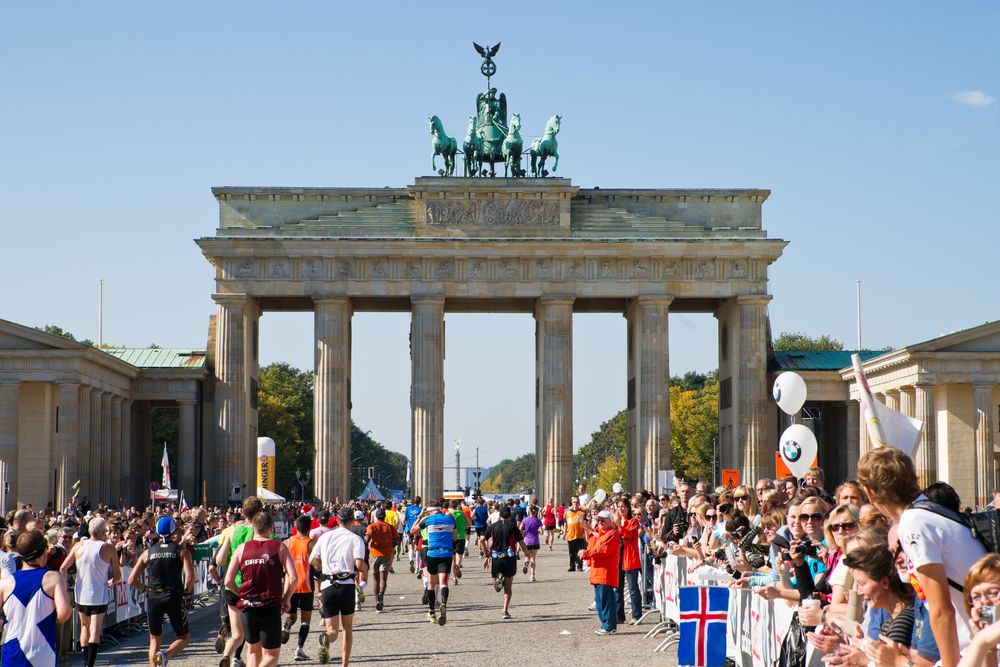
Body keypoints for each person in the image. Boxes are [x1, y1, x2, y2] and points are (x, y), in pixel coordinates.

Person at [857, 447, 986, 667]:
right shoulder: (928, 511)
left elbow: (940, 609)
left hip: (981, 646)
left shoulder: (914, 522)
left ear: (869, 492)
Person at [225, 511, 297, 667]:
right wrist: (287, 598)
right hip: (269, 605)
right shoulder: (279, 547)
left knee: (253, 652)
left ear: (253, 528)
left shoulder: (241, 549)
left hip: (248, 607)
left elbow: (228, 580)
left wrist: (241, 594)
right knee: (271, 656)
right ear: (271, 527)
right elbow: (293, 577)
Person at [128, 517, 194, 666]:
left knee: (154, 639)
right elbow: (189, 577)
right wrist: (187, 593)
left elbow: (131, 579)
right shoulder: (182, 552)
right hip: (173, 597)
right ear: (174, 532)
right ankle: (165, 654)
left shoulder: (148, 553)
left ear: (157, 532)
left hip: (154, 597)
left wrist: (145, 589)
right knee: (184, 638)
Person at [1, 531, 72, 666]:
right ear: (43, 554)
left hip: (12, 650)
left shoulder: (5, 583)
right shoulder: (53, 578)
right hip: (42, 650)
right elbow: (64, 613)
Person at [61, 517, 121, 667]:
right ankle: (90, 665)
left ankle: (85, 662)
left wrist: (62, 586)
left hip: (81, 592)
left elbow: (63, 568)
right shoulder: (108, 548)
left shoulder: (78, 546)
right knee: (95, 628)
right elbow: (117, 574)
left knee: (84, 627)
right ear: (102, 531)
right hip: (99, 593)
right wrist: (112, 582)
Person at [310, 507, 367, 666]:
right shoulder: (355, 539)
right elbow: (359, 563)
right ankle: (345, 664)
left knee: (333, 632)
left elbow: (312, 560)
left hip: (328, 586)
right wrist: (363, 569)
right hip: (346, 586)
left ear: (337, 520)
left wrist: (322, 569)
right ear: (352, 521)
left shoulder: (325, 537)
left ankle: (326, 640)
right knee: (347, 628)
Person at [216, 495, 266, 667]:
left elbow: (220, 559)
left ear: (243, 512)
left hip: (232, 586)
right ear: (260, 512)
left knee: (237, 635)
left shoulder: (233, 531)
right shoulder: (260, 532)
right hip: (252, 587)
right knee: (256, 635)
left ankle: (226, 656)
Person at [411, 500, 457, 625]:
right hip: (446, 553)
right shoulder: (450, 519)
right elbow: (455, 537)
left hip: (432, 553)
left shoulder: (428, 520)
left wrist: (421, 516)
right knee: (443, 583)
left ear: (430, 510)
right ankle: (443, 602)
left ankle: (431, 612)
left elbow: (412, 531)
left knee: (431, 584)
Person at [580, 510, 621, 635]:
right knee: (600, 602)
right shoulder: (601, 534)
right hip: (597, 573)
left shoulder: (612, 534)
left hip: (605, 573)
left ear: (610, 521)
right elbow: (593, 547)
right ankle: (606, 624)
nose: (600, 522)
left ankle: (609, 625)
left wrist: (586, 553)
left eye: (603, 520)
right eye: (598, 520)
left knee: (606, 601)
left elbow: (602, 551)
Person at [482, 504, 527, 619]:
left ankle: (497, 583)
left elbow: (482, 539)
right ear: (510, 515)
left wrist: (486, 554)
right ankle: (505, 610)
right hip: (509, 558)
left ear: (500, 514)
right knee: (508, 587)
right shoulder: (513, 527)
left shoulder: (493, 527)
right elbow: (521, 543)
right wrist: (527, 554)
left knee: (497, 585)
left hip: (496, 558)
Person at [283, 515, 316, 662]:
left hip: (290, 585)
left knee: (291, 616)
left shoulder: (286, 542)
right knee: (305, 620)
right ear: (309, 528)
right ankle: (299, 649)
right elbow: (317, 564)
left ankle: (287, 626)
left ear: (295, 527)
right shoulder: (311, 543)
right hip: (306, 585)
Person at [615, 498, 642, 625]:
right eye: (619, 507)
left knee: (633, 588)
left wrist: (619, 526)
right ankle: (619, 616)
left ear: (628, 508)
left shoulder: (634, 521)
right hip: (618, 558)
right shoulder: (617, 521)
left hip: (629, 557)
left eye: (623, 507)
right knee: (618, 588)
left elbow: (628, 536)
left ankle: (637, 615)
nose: (621, 509)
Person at [365, 507, 397, 612]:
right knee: (384, 579)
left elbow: (368, 538)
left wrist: (365, 539)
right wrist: (392, 545)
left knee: (375, 579)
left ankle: (377, 602)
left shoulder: (371, 526)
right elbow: (397, 539)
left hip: (374, 554)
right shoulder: (390, 527)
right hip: (387, 553)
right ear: (384, 516)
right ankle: (381, 595)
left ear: (376, 516)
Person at [520, 505, 542, 582]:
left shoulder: (524, 520)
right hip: (535, 541)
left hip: (527, 541)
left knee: (527, 557)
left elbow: (520, 529)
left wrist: (523, 534)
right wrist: (537, 531)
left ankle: (526, 563)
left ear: (529, 511)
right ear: (536, 512)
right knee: (533, 558)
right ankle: (532, 576)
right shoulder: (538, 520)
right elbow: (541, 531)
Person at [564, 497, 588, 572]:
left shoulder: (582, 512)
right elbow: (565, 523)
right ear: (572, 502)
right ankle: (572, 566)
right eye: (574, 502)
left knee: (580, 551)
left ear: (579, 503)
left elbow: (584, 524)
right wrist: (564, 532)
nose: (575, 504)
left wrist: (585, 533)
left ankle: (580, 566)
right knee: (571, 552)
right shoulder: (567, 513)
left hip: (579, 535)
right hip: (570, 535)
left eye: (577, 502)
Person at [449, 499, 467, 581]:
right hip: (461, 536)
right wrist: (464, 527)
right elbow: (469, 523)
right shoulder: (462, 513)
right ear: (457, 505)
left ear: (450, 505)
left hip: (451, 537)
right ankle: (458, 565)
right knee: (459, 555)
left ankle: (454, 577)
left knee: (452, 558)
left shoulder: (448, 514)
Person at [403, 497, 422, 573]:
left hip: (409, 529)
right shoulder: (420, 509)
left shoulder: (408, 508)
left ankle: (411, 560)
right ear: (419, 502)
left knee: (411, 546)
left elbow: (404, 519)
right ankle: (417, 568)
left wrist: (405, 525)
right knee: (418, 548)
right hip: (417, 529)